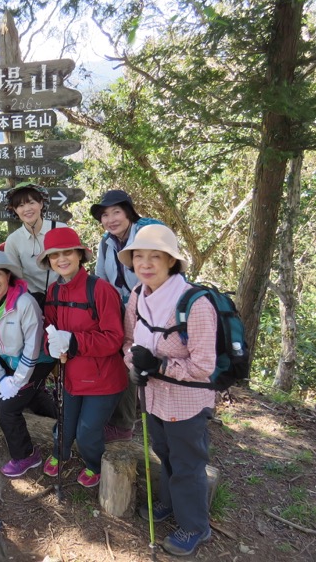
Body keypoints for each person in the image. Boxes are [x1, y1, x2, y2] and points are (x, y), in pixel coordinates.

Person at [119, 224, 216, 556]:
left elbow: (204, 367)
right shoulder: (137, 295)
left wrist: (159, 366)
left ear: (171, 262)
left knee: (188, 463)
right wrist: (134, 363)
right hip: (153, 398)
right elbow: (130, 341)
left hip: (187, 402)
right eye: (139, 256)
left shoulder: (195, 303)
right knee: (165, 453)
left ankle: (195, 527)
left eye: (155, 257)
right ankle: (170, 504)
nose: (146, 264)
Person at [38, 227, 127, 488]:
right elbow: (50, 329)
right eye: (54, 256)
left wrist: (74, 341)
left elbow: (114, 338)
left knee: (88, 431)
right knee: (64, 421)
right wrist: (51, 345)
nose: (61, 259)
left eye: (67, 253)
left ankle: (94, 464)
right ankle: (59, 453)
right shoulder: (53, 292)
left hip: (104, 378)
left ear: (79, 255)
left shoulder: (100, 289)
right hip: (71, 374)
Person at [0, 250, 56, 477]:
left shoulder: (25, 303)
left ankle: (26, 455)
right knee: (30, 395)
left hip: (38, 360)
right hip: (9, 358)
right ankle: (60, 418)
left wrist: (16, 381)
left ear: (9, 276)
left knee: (6, 408)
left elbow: (32, 347)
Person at [90, 189, 163, 443]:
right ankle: (124, 421)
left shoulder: (149, 231)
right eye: (105, 214)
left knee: (141, 359)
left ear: (129, 212)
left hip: (154, 308)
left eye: (116, 212)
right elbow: (101, 279)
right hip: (121, 309)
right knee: (124, 357)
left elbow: (165, 271)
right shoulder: (106, 241)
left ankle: (135, 423)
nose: (111, 219)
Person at [3, 182, 68, 303]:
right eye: (20, 205)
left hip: (65, 295)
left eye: (32, 203)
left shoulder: (60, 229)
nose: (27, 209)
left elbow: (74, 263)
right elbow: (15, 276)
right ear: (15, 209)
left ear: (41, 204)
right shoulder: (13, 240)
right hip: (32, 299)